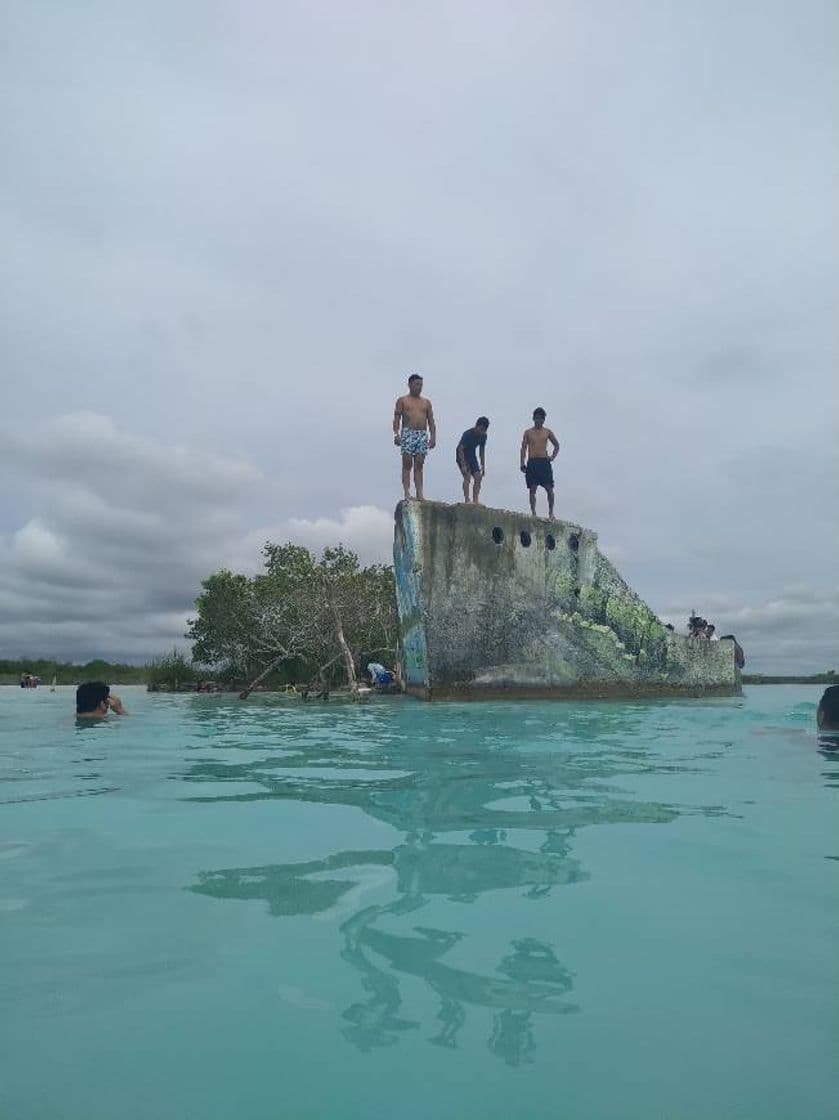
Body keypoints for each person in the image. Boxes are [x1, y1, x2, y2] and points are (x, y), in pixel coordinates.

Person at [393, 373, 436, 501]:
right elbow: (396, 418)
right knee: (407, 464)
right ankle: (407, 492)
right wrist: (396, 434)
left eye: (421, 385)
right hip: (408, 433)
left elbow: (431, 421)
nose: (419, 387)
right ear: (410, 385)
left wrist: (433, 437)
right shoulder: (402, 400)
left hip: (421, 434)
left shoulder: (426, 402)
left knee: (419, 465)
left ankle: (420, 493)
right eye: (417, 384)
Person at [520, 407, 559, 517]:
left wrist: (552, 457)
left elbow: (557, 445)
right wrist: (522, 463)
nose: (539, 421)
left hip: (544, 462)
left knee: (549, 488)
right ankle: (533, 513)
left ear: (543, 420)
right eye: (537, 418)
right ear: (533, 419)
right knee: (532, 489)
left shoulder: (547, 432)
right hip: (532, 462)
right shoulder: (528, 432)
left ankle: (551, 512)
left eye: (541, 419)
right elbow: (523, 448)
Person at [456, 417, 489, 504]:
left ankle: (475, 500)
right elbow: (460, 449)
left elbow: (482, 451)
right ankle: (467, 500)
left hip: (472, 455)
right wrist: (463, 465)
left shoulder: (483, 436)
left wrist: (483, 466)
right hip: (462, 455)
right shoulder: (467, 434)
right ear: (477, 426)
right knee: (467, 476)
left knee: (478, 477)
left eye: (484, 430)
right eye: (481, 429)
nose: (481, 432)